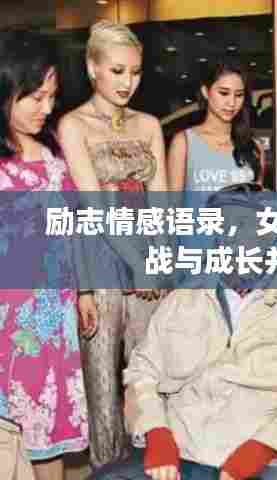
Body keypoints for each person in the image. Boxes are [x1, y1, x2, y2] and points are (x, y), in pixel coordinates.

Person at [88, 182, 277, 480]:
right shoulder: (184, 298)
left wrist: (263, 448)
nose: (236, 237)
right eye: (226, 225)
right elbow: (141, 373)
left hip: (266, 456)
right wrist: (157, 434)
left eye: (250, 225)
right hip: (184, 450)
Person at [58, 20, 169, 469]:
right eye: (117, 71)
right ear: (92, 68)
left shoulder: (149, 124)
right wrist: (138, 263)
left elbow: (161, 202)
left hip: (148, 266)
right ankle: (107, 472)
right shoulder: (73, 125)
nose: (128, 82)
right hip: (100, 261)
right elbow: (94, 206)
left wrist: (158, 261)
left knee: (151, 381)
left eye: (135, 72)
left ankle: (154, 469)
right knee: (102, 388)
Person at [0, 29, 88, 480]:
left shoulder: (54, 157)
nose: (46, 108)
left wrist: (85, 292)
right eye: (35, 97)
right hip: (7, 318)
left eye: (52, 97)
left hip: (54, 317)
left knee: (48, 429)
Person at [168, 59, 265, 194]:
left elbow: (257, 199)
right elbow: (172, 205)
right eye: (224, 93)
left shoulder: (253, 147)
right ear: (205, 92)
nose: (231, 103)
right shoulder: (184, 142)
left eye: (239, 95)